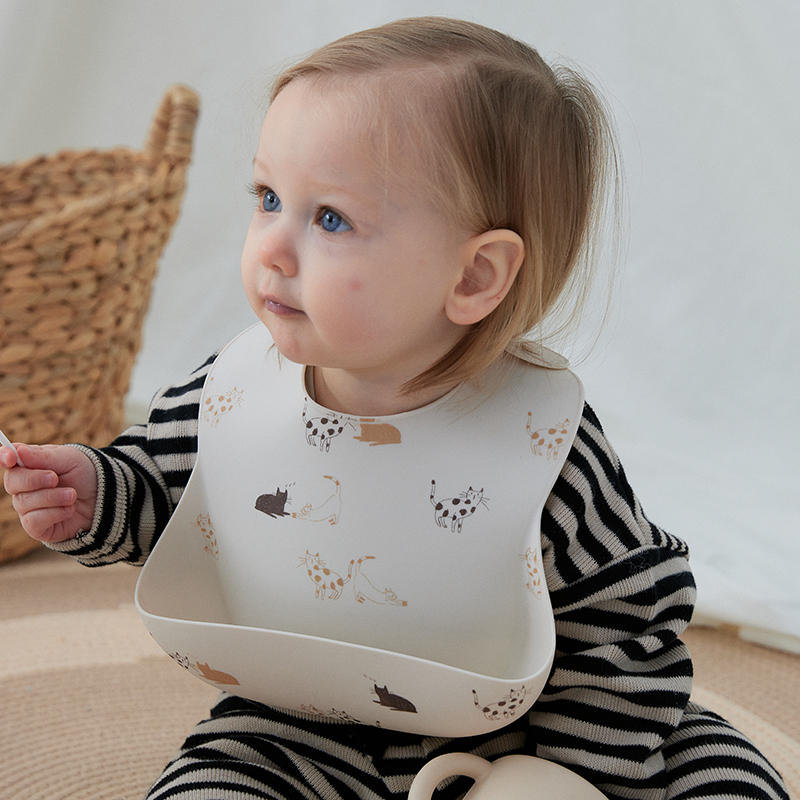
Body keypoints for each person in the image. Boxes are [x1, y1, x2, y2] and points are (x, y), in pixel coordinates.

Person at [1, 17, 789, 800]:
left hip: (531, 729)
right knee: (210, 786)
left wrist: (570, 776)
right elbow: (162, 493)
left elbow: (626, 615)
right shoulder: (236, 391)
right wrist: (92, 494)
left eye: (330, 218)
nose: (271, 246)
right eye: (269, 197)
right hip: (298, 723)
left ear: (474, 277)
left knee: (716, 765)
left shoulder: (540, 443)